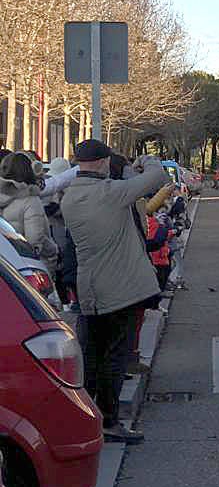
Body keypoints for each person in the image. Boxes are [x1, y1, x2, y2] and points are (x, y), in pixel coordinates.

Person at [61, 140, 167, 445]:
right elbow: (157, 175)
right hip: (119, 289)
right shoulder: (112, 194)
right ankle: (109, 421)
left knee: (91, 357)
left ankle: (89, 418)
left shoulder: (71, 197)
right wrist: (145, 160)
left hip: (88, 288)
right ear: (105, 161)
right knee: (114, 358)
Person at [0, 152, 59, 275]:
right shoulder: (30, 200)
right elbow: (35, 241)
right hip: (29, 268)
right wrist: (53, 250)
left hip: (5, 265)